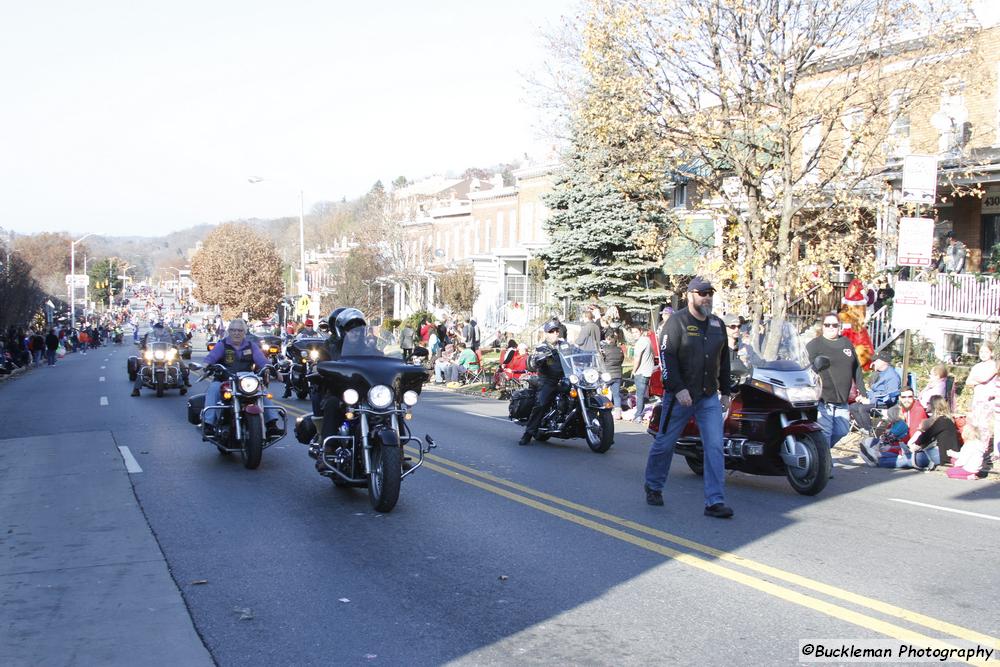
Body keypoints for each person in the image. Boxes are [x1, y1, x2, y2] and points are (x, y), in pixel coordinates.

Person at [644, 277, 734, 519]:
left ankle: (714, 501)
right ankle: (653, 485)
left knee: (715, 447)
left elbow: (723, 361)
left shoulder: (717, 325)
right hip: (681, 395)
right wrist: (678, 387)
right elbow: (666, 359)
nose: (707, 297)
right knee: (665, 443)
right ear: (690, 294)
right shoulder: (677, 322)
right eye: (702, 293)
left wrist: (726, 391)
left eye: (710, 293)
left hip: (708, 397)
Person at [200, 318, 282, 437]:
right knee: (213, 389)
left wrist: (274, 371)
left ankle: (271, 424)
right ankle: (209, 424)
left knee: (262, 392)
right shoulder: (222, 344)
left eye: (240, 330)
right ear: (229, 331)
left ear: (245, 332)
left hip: (245, 381)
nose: (236, 333)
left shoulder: (250, 345)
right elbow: (211, 358)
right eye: (233, 330)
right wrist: (204, 367)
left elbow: (262, 360)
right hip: (225, 379)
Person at [806, 312, 867, 448]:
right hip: (823, 398)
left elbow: (856, 368)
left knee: (842, 431)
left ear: (839, 326)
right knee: (825, 432)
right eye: (827, 325)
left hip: (842, 399)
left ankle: (820, 454)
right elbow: (806, 368)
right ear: (822, 326)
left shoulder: (846, 343)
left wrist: (862, 390)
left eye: (834, 325)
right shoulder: (815, 345)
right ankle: (824, 463)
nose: (831, 327)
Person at [519, 321, 570, 446]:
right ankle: (528, 433)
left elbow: (577, 353)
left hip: (566, 378)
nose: (555, 333)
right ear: (546, 333)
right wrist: (539, 359)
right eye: (552, 331)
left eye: (557, 331)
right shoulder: (542, 347)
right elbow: (534, 360)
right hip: (548, 379)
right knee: (541, 403)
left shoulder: (565, 345)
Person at [849, 353, 901, 433]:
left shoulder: (892, 376)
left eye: (876, 360)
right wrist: (864, 396)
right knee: (853, 407)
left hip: (885, 403)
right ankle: (863, 429)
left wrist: (871, 401)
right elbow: (875, 391)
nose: (873, 362)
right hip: (876, 400)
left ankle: (869, 431)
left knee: (862, 408)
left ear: (884, 362)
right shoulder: (879, 373)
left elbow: (890, 396)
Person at [132, 322, 185, 396]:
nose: (158, 330)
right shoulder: (149, 335)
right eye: (157, 329)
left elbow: (173, 343)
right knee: (143, 369)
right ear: (154, 329)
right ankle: (136, 390)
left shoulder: (167, 336)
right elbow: (143, 343)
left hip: (165, 355)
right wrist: (141, 347)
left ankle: (182, 386)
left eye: (160, 329)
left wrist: (175, 347)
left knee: (175, 368)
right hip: (152, 356)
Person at [905, 395, 956, 470]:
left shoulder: (941, 421)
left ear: (933, 406)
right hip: (945, 453)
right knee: (909, 458)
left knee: (909, 459)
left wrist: (915, 445)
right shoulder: (947, 420)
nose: (926, 405)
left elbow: (926, 436)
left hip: (942, 455)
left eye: (928, 403)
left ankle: (883, 461)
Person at [629, 324, 656, 423]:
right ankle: (641, 412)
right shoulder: (647, 340)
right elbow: (653, 353)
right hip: (649, 371)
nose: (634, 334)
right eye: (632, 332)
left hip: (641, 371)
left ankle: (638, 415)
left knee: (639, 395)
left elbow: (637, 358)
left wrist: (634, 370)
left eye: (636, 332)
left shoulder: (640, 342)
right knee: (644, 394)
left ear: (640, 331)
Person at [599, 330, 625, 419]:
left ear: (607, 339)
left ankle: (604, 411)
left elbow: (601, 362)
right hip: (618, 374)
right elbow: (621, 360)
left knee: (603, 393)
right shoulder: (619, 350)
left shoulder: (604, 350)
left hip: (607, 375)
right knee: (616, 394)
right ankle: (618, 413)